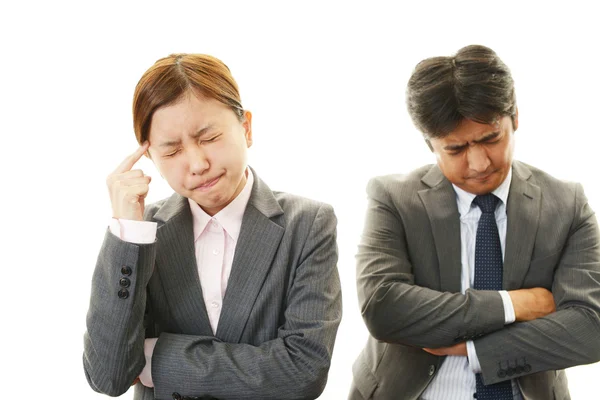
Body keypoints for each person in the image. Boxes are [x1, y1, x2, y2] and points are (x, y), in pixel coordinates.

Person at [83, 53, 342, 400]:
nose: (197, 163)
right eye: (172, 151)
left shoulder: (308, 224)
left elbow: (303, 371)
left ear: (246, 128)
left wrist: (155, 358)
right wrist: (127, 234)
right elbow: (108, 376)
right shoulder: (143, 233)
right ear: (151, 159)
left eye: (208, 137)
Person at [349, 45, 600, 399]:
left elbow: (590, 328)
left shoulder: (566, 204)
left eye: (491, 139)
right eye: (455, 149)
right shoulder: (393, 199)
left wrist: (475, 350)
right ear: (429, 144)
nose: (479, 163)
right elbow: (384, 308)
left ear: (515, 117)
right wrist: (513, 305)